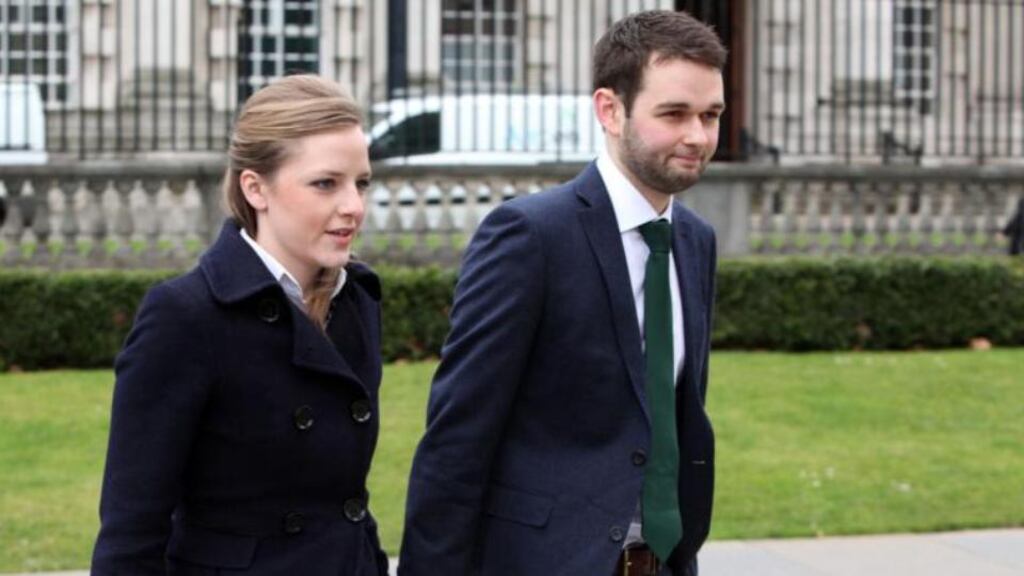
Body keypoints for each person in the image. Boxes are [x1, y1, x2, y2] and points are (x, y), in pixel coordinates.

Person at [399, 10, 725, 576]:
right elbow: (458, 436)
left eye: (711, 115)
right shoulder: (529, 235)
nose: (698, 136)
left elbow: (672, 416)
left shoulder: (696, 241)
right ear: (609, 109)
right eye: (674, 114)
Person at [91, 75, 388, 576]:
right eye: (325, 183)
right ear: (256, 188)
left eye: (361, 183)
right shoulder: (185, 316)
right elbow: (131, 531)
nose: (353, 207)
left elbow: (341, 503)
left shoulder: (357, 299)